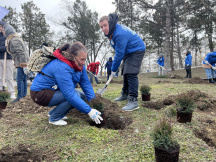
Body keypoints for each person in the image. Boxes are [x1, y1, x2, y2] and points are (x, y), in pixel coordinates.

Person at [30, 42, 103, 125]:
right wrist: (89, 111)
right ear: (72, 56)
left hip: (53, 90)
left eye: (85, 59)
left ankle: (54, 113)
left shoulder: (79, 65)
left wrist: (94, 102)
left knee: (82, 96)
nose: (83, 62)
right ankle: (54, 118)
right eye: (81, 59)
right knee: (74, 96)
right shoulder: (62, 66)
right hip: (40, 93)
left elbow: (85, 83)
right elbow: (69, 94)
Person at [99, 14, 146, 111]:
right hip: (128, 51)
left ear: (110, 24)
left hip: (137, 49)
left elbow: (119, 54)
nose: (103, 28)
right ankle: (125, 94)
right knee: (125, 72)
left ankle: (133, 100)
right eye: (101, 27)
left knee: (131, 73)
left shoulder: (119, 33)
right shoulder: (112, 31)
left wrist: (113, 70)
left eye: (105, 25)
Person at [0, 21, 29, 103]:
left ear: (8, 31)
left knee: (19, 79)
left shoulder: (13, 41)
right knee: (23, 79)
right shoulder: (15, 39)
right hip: (21, 62)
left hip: (21, 63)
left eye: (4, 31)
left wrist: (23, 65)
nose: (3, 32)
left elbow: (21, 52)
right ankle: (23, 95)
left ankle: (19, 97)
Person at [0, 22, 16, 99]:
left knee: (9, 77)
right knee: (0, 76)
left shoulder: (10, 37)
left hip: (8, 59)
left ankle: (12, 92)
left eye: (1, 27)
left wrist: (8, 48)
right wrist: (4, 48)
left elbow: (12, 47)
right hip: (0, 58)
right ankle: (0, 90)